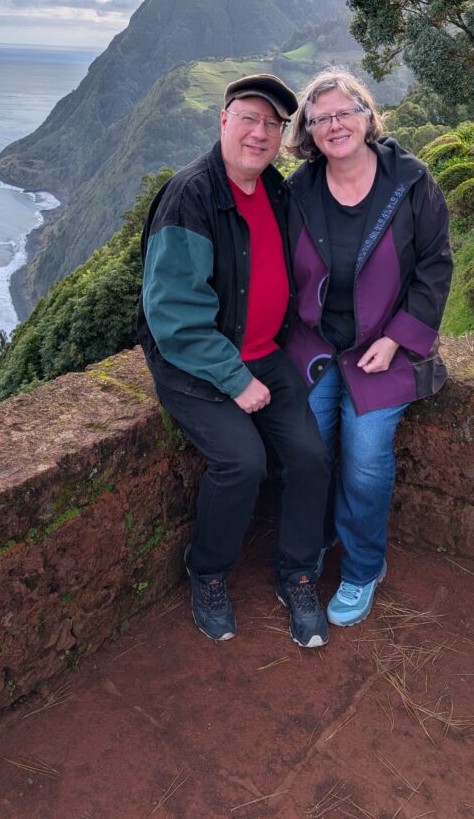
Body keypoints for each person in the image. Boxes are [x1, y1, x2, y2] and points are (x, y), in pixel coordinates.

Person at [137, 74, 330, 648]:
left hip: (264, 352)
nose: (260, 133)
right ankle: (209, 572)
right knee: (242, 463)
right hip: (196, 364)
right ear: (223, 121)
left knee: (310, 457)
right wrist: (235, 378)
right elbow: (174, 316)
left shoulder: (274, 188)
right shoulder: (191, 195)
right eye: (248, 118)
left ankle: (298, 573)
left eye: (272, 124)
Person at [284, 69, 453, 626]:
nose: (334, 125)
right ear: (309, 132)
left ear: (366, 116)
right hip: (315, 346)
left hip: (383, 349)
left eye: (344, 112)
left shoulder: (411, 182)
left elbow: (435, 266)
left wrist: (397, 337)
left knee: (364, 457)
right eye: (321, 118)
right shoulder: (298, 192)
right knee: (307, 451)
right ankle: (310, 547)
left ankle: (362, 568)